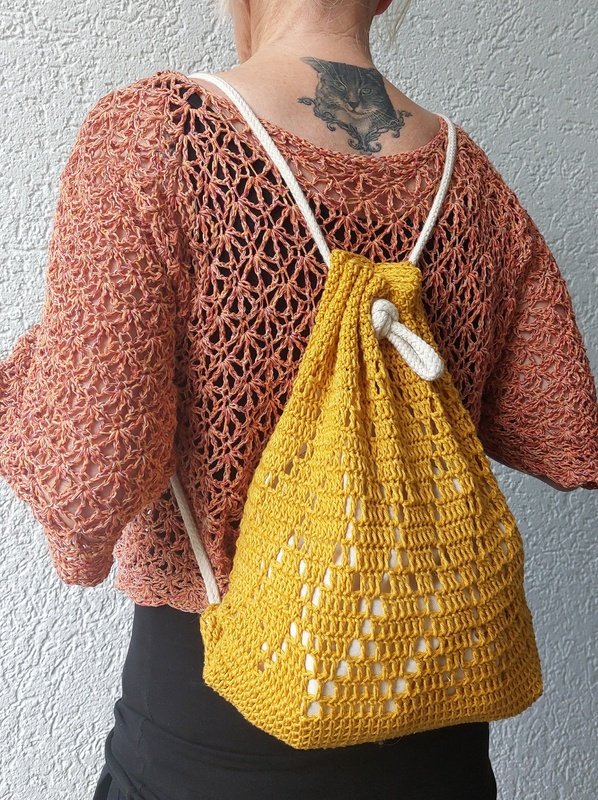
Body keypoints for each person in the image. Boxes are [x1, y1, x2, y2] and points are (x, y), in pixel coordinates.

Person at [1, 1, 597, 798]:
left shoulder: (155, 137)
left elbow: (88, 485)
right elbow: (565, 432)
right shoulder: (472, 182)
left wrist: (35, 375)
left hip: (215, 741)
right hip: (435, 722)